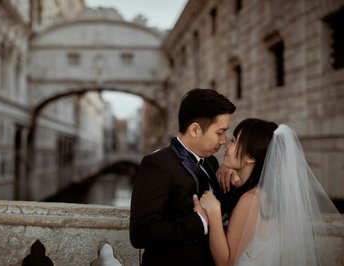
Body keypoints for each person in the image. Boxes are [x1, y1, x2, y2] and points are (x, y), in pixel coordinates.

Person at [194, 118, 342, 266]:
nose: (226, 145)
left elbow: (225, 262)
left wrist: (213, 211)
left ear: (250, 157)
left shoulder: (250, 200)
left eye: (234, 141)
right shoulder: (267, 193)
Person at [129, 88, 236, 265]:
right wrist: (199, 221)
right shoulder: (157, 164)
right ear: (195, 130)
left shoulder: (212, 164)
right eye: (219, 132)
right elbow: (140, 233)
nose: (224, 140)